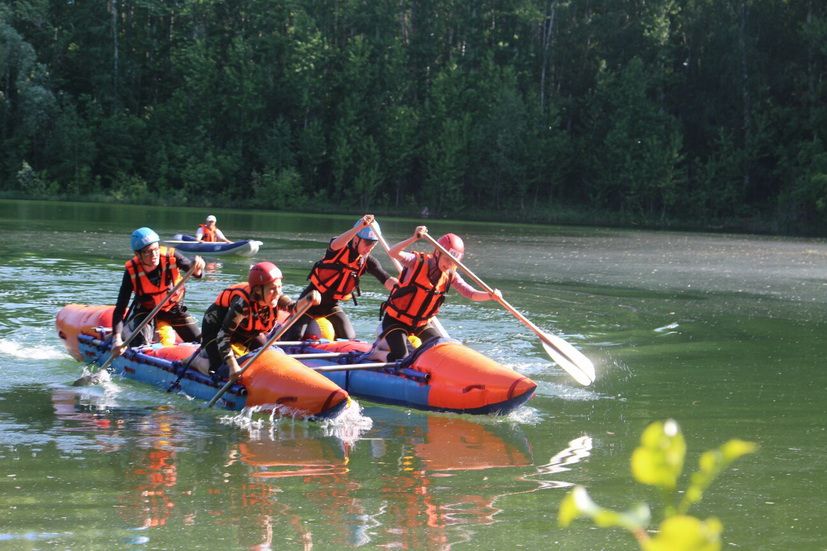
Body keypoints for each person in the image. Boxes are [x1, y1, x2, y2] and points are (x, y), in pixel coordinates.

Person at [377, 226, 501, 361]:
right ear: (437, 253)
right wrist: (414, 238)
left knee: (442, 351)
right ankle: (378, 354)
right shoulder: (416, 262)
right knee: (401, 356)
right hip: (396, 321)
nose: (449, 265)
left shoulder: (450, 274)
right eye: (447, 259)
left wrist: (490, 295)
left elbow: (470, 293)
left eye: (453, 262)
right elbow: (393, 252)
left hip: (421, 325)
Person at [284, 214, 399, 341]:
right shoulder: (338, 249)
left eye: (373, 244)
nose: (370, 248)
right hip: (310, 301)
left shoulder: (368, 262)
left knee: (349, 337)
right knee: (295, 336)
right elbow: (336, 243)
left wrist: (402, 287)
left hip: (330, 305)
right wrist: (360, 227)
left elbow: (386, 279)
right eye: (367, 243)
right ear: (356, 239)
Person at [111, 227, 205, 356]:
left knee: (200, 342)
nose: (154, 255)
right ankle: (127, 332)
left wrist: (198, 269)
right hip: (146, 312)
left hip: (172, 309)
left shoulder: (171, 256)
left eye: (156, 249)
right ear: (138, 254)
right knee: (141, 344)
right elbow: (120, 307)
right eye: (148, 252)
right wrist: (116, 339)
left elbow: (194, 271)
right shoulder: (131, 270)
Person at [193, 262, 292, 379]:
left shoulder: (275, 296)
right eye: (272, 288)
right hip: (217, 329)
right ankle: (197, 361)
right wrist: (233, 365)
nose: (277, 292)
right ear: (258, 290)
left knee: (269, 354)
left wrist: (308, 299)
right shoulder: (241, 304)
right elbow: (223, 336)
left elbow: (293, 306)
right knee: (220, 370)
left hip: (243, 330)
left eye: (280, 287)